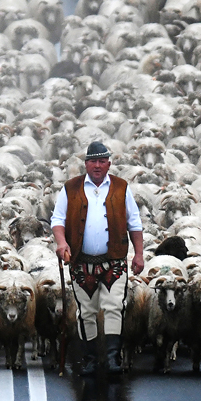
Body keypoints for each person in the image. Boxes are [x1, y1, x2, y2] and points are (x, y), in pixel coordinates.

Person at [51, 141, 145, 376]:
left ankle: (112, 358)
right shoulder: (70, 188)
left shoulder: (121, 187)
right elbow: (57, 220)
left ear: (109, 164)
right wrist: (62, 243)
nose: (97, 165)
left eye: (102, 161)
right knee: (86, 311)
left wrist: (139, 253)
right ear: (86, 164)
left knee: (114, 307)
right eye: (93, 161)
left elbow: (134, 222)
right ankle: (91, 358)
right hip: (81, 261)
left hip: (114, 260)